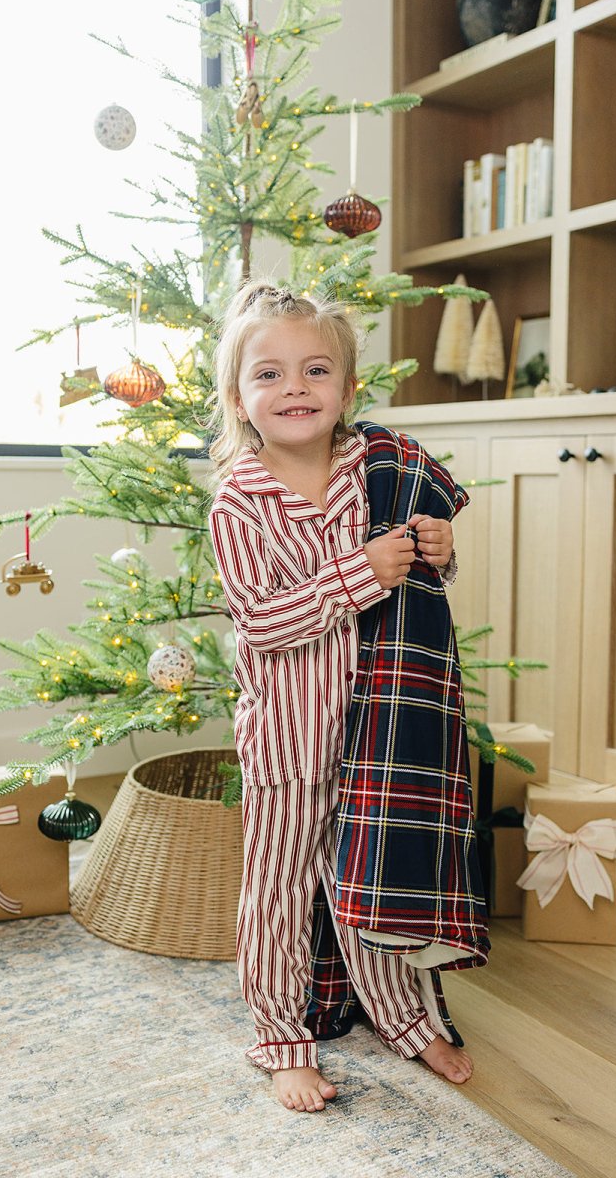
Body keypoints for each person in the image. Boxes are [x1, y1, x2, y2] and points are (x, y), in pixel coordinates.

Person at [208, 281, 489, 1114]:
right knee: (283, 893)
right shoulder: (240, 502)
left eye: (316, 369)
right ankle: (281, 1037)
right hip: (290, 743)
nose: (295, 388)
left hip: (377, 734)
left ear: (347, 390)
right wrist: (358, 572)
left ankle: (404, 1018)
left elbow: (413, 577)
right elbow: (261, 620)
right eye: (270, 374)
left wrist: (435, 548)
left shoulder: (375, 474)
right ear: (239, 400)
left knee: (366, 885)